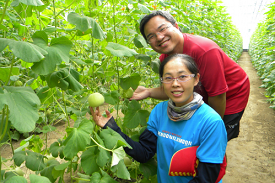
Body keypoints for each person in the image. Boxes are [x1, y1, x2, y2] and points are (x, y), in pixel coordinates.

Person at [90, 54, 227, 183]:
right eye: (168, 78)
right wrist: (113, 128)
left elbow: (206, 178)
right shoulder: (160, 111)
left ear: (196, 79)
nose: (175, 84)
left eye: (182, 76)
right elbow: (144, 153)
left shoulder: (211, 122)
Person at [131, 10, 250, 141]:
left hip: (232, 93)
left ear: (176, 26)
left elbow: (218, 95)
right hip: (204, 91)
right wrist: (147, 92)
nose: (159, 37)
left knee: (216, 137)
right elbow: (175, 89)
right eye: (151, 36)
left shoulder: (204, 51)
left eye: (162, 29)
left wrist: (211, 131)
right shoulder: (165, 59)